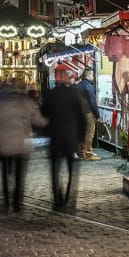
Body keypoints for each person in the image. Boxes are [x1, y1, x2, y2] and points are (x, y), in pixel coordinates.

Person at [0, 79, 46, 213]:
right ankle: (17, 203)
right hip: (21, 143)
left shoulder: (2, 101)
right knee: (19, 175)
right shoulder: (25, 101)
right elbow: (38, 120)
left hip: (4, 143)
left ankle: (5, 203)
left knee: (5, 175)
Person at [41, 65, 87, 212]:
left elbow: (43, 115)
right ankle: (70, 201)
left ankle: (57, 201)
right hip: (70, 137)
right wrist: (81, 138)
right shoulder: (75, 93)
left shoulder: (50, 94)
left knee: (55, 171)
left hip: (55, 137)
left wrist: (46, 131)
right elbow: (82, 117)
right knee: (72, 170)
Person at [75, 68, 102, 161]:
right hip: (88, 113)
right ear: (88, 75)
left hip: (78, 114)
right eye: (92, 75)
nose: (93, 77)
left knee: (81, 133)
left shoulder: (77, 86)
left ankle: (80, 153)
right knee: (89, 133)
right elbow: (92, 101)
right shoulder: (88, 86)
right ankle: (89, 154)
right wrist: (97, 115)